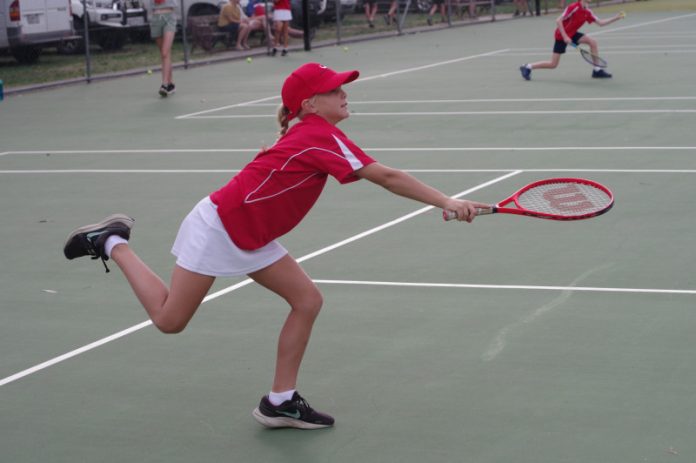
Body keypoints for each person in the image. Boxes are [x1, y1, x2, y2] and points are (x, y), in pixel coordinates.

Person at [62, 62, 487, 430]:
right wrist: (447, 200)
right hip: (220, 228)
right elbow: (387, 177)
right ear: (309, 104)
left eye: (342, 86)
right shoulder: (318, 134)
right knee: (170, 320)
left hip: (252, 233)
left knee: (307, 300)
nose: (343, 93)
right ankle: (113, 241)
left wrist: (446, 202)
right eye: (334, 89)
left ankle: (280, 401)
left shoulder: (313, 131)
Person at [519, 0, 624, 80]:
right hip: (561, 35)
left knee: (593, 42)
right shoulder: (573, 7)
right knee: (553, 64)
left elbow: (600, 23)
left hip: (572, 34)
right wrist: (565, 36)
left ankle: (597, 70)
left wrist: (616, 18)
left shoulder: (588, 11)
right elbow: (558, 20)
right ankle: (527, 67)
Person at [147, 0, 177, 97]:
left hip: (169, 17)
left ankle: (164, 85)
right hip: (155, 18)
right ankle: (170, 84)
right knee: (165, 54)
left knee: (165, 52)